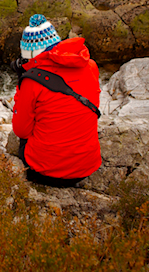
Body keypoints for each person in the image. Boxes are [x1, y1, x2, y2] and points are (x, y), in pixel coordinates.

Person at [11, 14, 101, 188]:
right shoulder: (90, 66)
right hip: (87, 167)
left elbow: (21, 130)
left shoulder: (32, 82)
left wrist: (22, 83)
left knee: (24, 138)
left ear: (31, 55)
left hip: (48, 172)